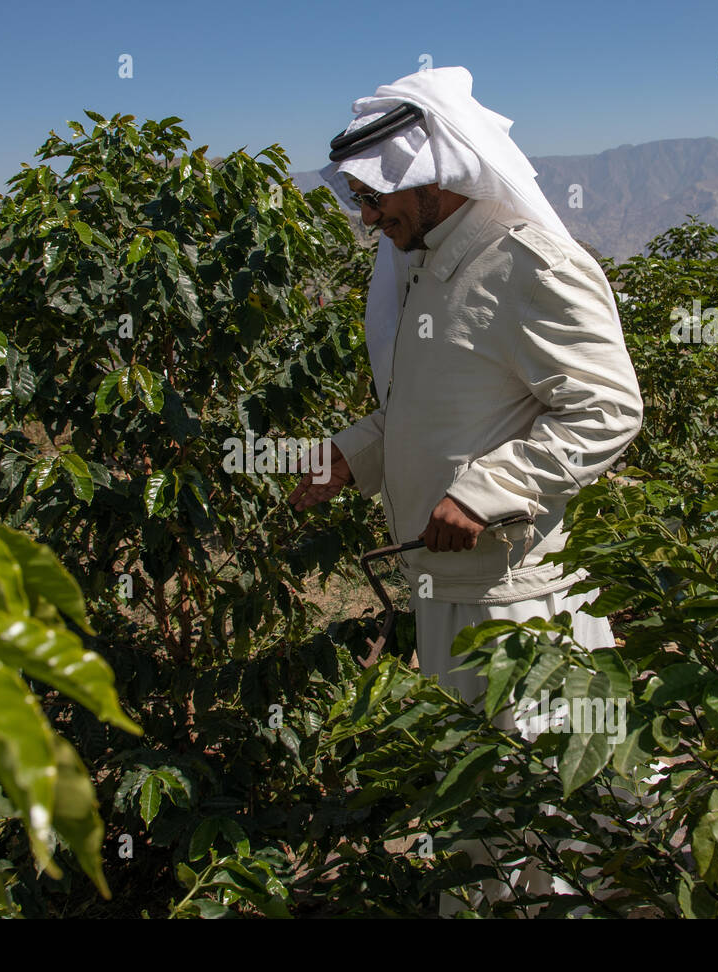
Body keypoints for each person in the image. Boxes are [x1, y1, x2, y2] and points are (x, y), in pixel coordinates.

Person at [287, 65, 644, 913]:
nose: (369, 217)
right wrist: (348, 456)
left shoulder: (527, 262)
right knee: (476, 810)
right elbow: (424, 411)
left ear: (432, 169)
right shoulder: (420, 265)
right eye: (360, 201)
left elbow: (609, 407)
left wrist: (488, 491)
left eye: (377, 198)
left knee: (549, 805)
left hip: (517, 603)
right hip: (445, 593)